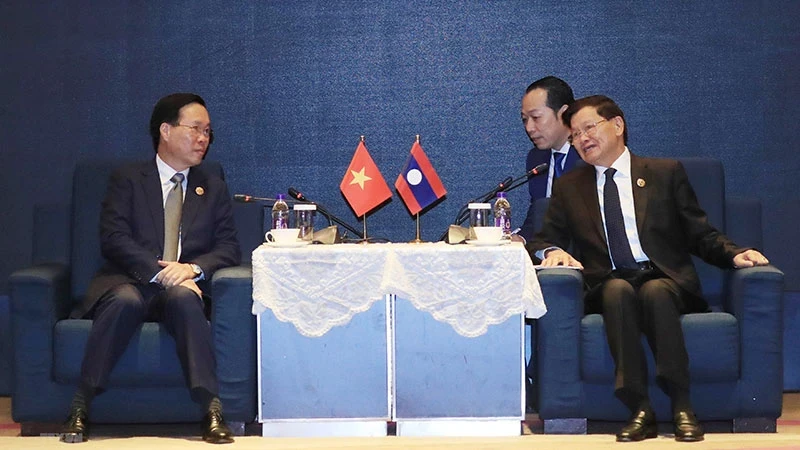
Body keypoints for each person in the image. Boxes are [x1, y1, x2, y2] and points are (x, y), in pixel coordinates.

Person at [529, 95, 769, 442]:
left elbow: (699, 232)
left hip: (666, 279)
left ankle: (682, 405)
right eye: (574, 135)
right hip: (608, 283)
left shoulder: (663, 173)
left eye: (588, 128)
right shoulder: (570, 187)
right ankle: (639, 407)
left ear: (617, 126)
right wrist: (553, 253)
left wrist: (735, 254)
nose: (581, 139)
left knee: (655, 291)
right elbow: (543, 239)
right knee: (617, 290)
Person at [60, 93, 241, 444]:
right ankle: (80, 407)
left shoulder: (212, 186)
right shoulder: (128, 179)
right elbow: (113, 237)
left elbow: (229, 248)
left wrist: (191, 269)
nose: (203, 138)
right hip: (130, 281)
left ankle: (212, 410)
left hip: (181, 288)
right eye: (196, 129)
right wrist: (161, 271)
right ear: (166, 130)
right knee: (126, 301)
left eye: (208, 132)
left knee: (185, 301)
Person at [518, 76, 582, 241]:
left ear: (563, 114)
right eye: (525, 120)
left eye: (536, 117)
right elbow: (537, 214)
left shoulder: (588, 155)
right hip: (545, 254)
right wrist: (521, 239)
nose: (529, 128)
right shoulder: (536, 159)